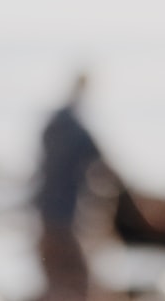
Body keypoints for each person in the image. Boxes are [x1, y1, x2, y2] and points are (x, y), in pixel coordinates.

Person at [34, 74, 104, 301]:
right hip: (67, 216)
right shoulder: (77, 128)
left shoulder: (52, 123)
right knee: (79, 280)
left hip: (45, 212)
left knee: (56, 279)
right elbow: (103, 165)